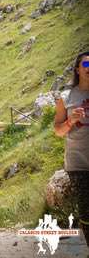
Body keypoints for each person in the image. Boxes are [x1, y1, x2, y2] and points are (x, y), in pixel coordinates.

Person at [54, 51, 89, 247]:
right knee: (86, 212)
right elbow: (58, 131)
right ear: (78, 69)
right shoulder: (66, 97)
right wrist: (71, 120)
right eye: (86, 65)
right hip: (78, 163)